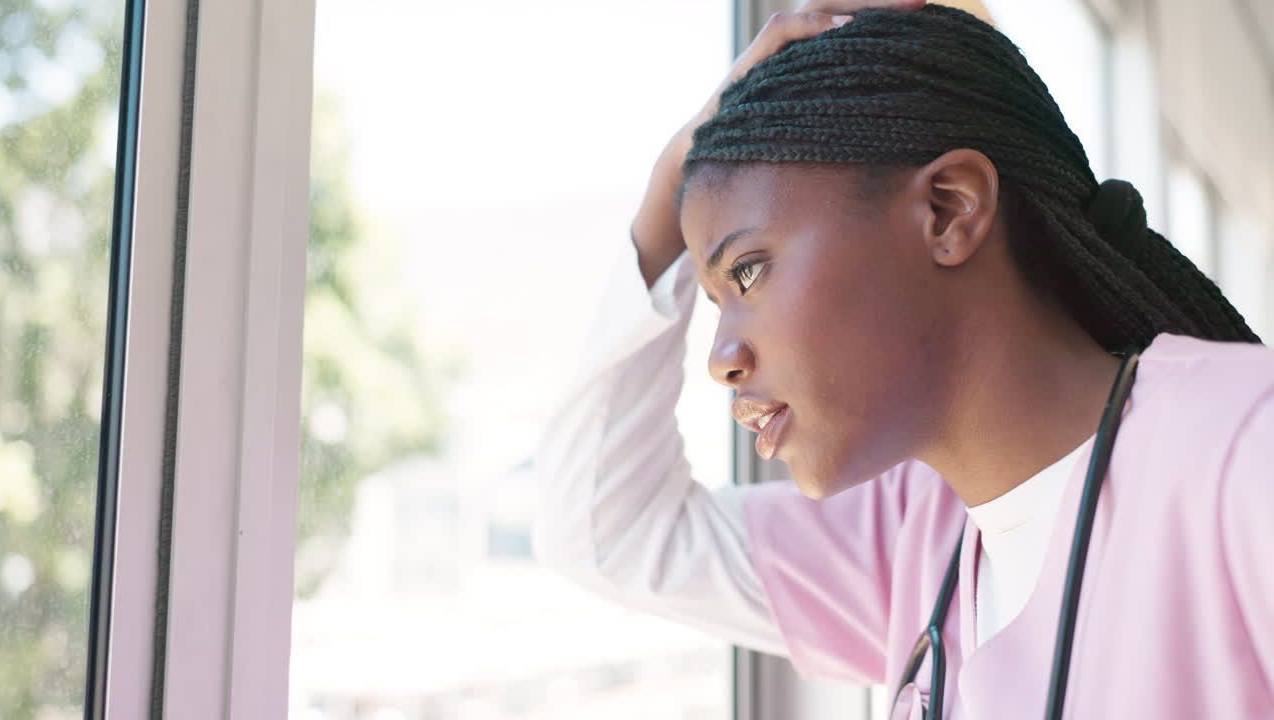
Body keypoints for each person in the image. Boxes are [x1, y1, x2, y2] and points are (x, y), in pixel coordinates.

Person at [533, 3, 1274, 718]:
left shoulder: (1239, 450)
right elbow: (601, 528)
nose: (722, 359)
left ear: (948, 210)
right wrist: (682, 161)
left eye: (749, 273)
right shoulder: (914, 536)